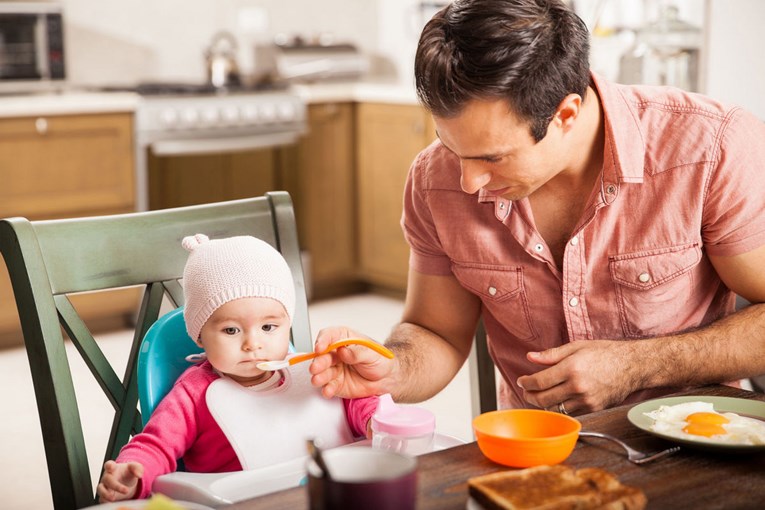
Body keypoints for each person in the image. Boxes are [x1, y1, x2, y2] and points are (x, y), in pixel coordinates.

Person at [309, 0, 765, 417]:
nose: (468, 182)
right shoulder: (435, 180)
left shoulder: (710, 147)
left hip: (694, 443)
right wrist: (392, 370)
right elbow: (437, 333)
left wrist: (637, 366)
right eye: (450, 146)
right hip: (533, 454)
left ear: (565, 116)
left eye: (491, 157)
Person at [97, 234, 379, 502]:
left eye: (269, 327)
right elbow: (155, 445)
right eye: (231, 330)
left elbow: (356, 403)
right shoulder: (193, 395)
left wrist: (375, 422)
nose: (252, 343)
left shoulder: (314, 373)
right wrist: (131, 473)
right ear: (200, 336)